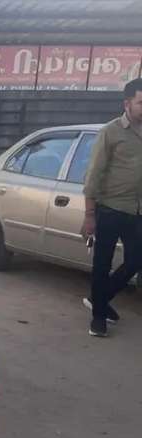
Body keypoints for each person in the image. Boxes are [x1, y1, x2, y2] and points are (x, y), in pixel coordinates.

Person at [81, 78, 142, 337]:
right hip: (109, 208)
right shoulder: (111, 132)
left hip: (137, 211)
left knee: (136, 260)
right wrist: (89, 215)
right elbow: (93, 175)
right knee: (102, 264)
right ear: (127, 103)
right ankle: (98, 319)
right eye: (141, 102)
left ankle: (100, 299)